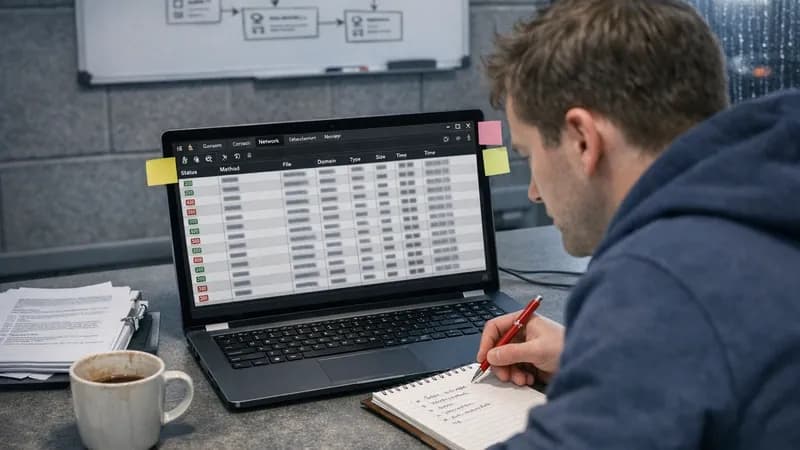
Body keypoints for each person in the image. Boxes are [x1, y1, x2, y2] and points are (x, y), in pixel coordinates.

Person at [475, 0, 800, 448]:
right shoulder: (766, 200)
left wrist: (632, 339)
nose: (533, 191)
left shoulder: (663, 275)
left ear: (582, 140)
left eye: (529, 156)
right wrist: (604, 357)